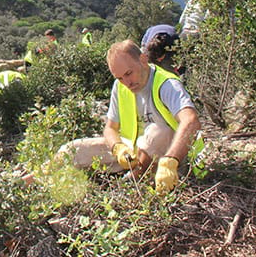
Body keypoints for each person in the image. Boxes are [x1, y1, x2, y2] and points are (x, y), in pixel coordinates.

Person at [57, 40, 202, 193]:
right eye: (119, 77)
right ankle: (33, 180)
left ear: (143, 60)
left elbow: (191, 120)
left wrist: (171, 161)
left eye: (128, 73)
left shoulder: (167, 84)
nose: (126, 82)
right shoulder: (120, 87)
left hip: (171, 156)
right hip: (133, 151)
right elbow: (110, 129)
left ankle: (133, 184)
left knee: (157, 132)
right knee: (72, 149)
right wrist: (117, 148)